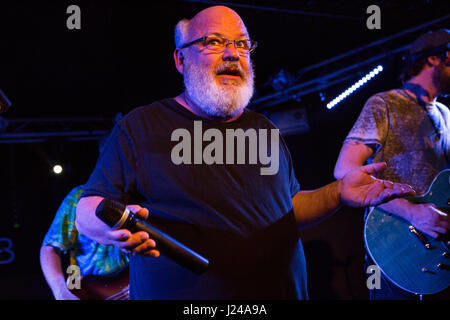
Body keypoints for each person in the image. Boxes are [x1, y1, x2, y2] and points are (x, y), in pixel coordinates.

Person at [75, 5, 414, 300]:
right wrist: (109, 228)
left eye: (241, 43)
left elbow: (288, 208)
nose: (232, 53)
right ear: (180, 59)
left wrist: (337, 192)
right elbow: (88, 208)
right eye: (213, 41)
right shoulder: (141, 127)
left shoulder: (265, 129)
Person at [334, 29, 450, 299]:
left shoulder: (445, 114)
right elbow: (344, 170)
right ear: (435, 58)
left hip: (439, 246)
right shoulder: (384, 103)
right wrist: (412, 213)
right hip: (396, 244)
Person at [40, 135, 130, 300]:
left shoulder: (145, 198)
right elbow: (50, 248)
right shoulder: (79, 197)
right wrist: (61, 291)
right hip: (87, 289)